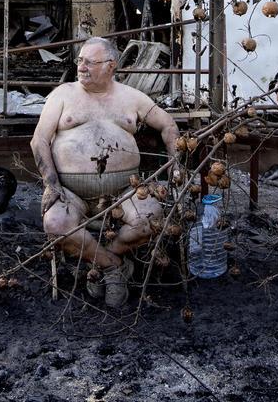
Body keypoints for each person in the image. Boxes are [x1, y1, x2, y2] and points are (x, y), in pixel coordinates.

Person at [30, 36, 179, 308]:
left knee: (151, 219)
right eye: (80, 61)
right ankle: (112, 267)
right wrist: (51, 186)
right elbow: (39, 140)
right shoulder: (63, 94)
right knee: (55, 224)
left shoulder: (131, 97)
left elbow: (168, 124)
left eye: (90, 62)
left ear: (111, 65)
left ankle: (109, 257)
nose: (82, 67)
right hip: (70, 191)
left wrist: (176, 163)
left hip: (124, 191)